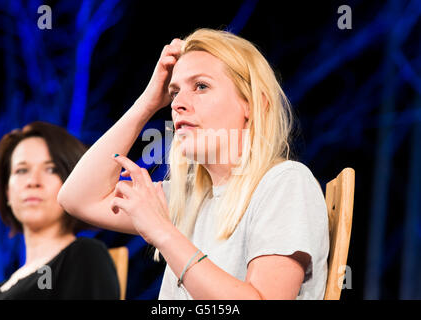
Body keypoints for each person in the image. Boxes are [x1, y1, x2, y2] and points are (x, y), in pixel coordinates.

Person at [58, 28, 329, 300]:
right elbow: (77, 198)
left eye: (201, 86)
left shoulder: (285, 183)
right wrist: (147, 103)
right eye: (174, 93)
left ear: (253, 104)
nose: (178, 105)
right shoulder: (188, 197)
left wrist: (162, 231)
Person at [0, 121, 120, 300]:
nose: (33, 181)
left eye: (51, 169)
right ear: (7, 192)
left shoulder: (84, 257)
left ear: (74, 182)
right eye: (22, 170)